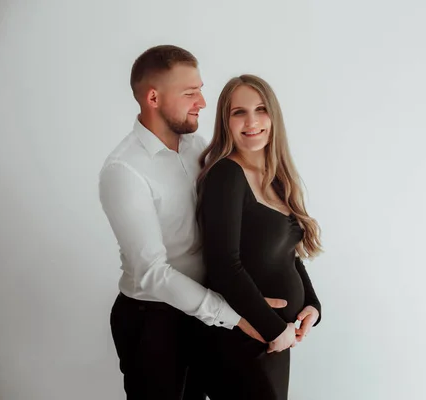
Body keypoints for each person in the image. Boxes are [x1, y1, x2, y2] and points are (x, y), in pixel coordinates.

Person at [98, 46, 286, 400]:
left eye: (200, 89)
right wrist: (235, 315)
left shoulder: (198, 147)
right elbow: (152, 273)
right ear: (153, 97)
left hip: (208, 312)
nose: (202, 101)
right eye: (190, 93)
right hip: (153, 321)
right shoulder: (123, 171)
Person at [194, 74, 324, 399]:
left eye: (260, 109)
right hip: (244, 342)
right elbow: (224, 266)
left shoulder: (277, 178)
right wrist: (274, 328)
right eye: (239, 112)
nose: (251, 121)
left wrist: (311, 304)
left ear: (273, 116)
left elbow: (288, 254)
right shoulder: (226, 175)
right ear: (226, 120)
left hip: (274, 342)